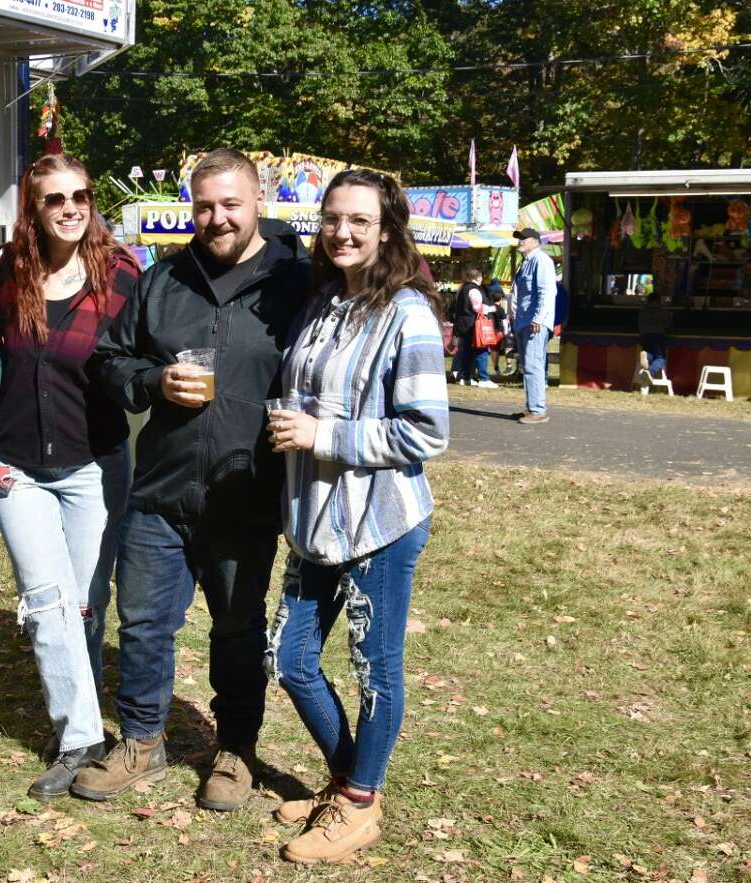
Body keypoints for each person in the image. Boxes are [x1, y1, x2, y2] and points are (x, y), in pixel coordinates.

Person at [72, 148, 310, 811]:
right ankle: (143, 740)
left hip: (246, 491)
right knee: (144, 623)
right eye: (204, 205)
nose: (217, 217)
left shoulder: (296, 282)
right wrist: (152, 381)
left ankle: (234, 748)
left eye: (231, 203)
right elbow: (109, 359)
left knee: (237, 628)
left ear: (257, 201)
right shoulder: (164, 279)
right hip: (162, 490)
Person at [263, 169, 449, 864]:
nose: (342, 231)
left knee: (375, 668)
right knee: (289, 657)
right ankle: (352, 783)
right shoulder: (321, 304)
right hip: (314, 519)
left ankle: (359, 803)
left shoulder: (409, 313)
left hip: (380, 522)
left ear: (387, 230)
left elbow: (426, 433)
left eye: (359, 221)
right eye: (333, 218)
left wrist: (325, 436)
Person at [0, 153, 141, 800]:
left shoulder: (123, 275)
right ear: (34, 209)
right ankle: (79, 733)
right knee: (46, 601)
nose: (71, 207)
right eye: (55, 198)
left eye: (80, 194)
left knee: (84, 600)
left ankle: (82, 707)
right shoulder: (7, 273)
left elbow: (146, 356)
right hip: (17, 464)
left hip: (94, 464)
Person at [512, 227, 556, 424]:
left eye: (523, 238)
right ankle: (532, 407)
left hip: (534, 323)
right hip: (523, 322)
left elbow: (547, 292)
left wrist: (538, 318)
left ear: (535, 241)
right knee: (527, 365)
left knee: (533, 365)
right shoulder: (525, 264)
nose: (520, 241)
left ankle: (538, 411)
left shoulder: (541, 260)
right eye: (519, 238)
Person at [451, 266, 498, 388]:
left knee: (467, 351)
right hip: (473, 325)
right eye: (481, 276)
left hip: (462, 324)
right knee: (481, 350)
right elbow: (477, 308)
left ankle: (466, 377)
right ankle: (484, 378)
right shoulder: (474, 290)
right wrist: (492, 308)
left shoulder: (462, 289)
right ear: (478, 277)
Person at [637, 292, 672, 383]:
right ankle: (651, 372)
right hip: (658, 335)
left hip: (645, 335)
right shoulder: (663, 311)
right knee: (661, 357)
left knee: (651, 353)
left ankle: (646, 356)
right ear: (659, 300)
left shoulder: (643, 310)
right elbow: (667, 325)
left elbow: (639, 323)